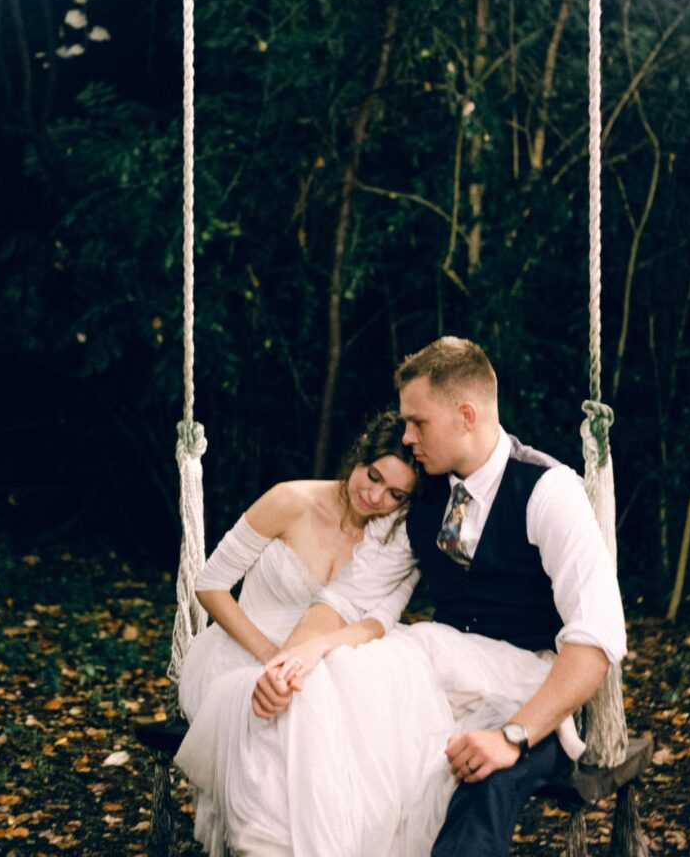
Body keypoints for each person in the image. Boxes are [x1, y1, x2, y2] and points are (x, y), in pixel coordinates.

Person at [253, 336, 627, 857]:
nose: (407, 437)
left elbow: (596, 640)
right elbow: (352, 596)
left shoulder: (548, 491)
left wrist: (511, 736)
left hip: (535, 699)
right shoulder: (424, 495)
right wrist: (291, 666)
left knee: (480, 782)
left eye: (418, 422)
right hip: (443, 689)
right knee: (345, 728)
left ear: (466, 415)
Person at [175, 412, 439, 856]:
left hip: (324, 659)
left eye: (395, 494)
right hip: (243, 648)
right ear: (358, 457)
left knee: (370, 705)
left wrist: (305, 656)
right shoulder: (290, 500)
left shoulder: (396, 540)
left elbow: (377, 623)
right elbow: (210, 584)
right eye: (373, 476)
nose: (375, 497)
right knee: (291, 720)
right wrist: (271, 654)